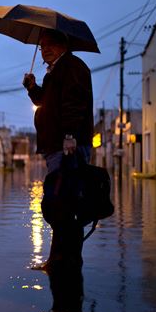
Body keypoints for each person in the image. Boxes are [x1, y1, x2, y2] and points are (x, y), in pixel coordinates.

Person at [22, 29, 94, 272]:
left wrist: (70, 137)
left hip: (67, 146)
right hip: (58, 146)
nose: (45, 50)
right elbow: (45, 102)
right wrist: (33, 88)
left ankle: (65, 261)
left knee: (65, 205)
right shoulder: (55, 72)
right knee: (61, 205)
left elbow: (74, 104)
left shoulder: (72, 66)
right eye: (42, 46)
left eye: (51, 44)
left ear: (64, 44)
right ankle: (60, 260)